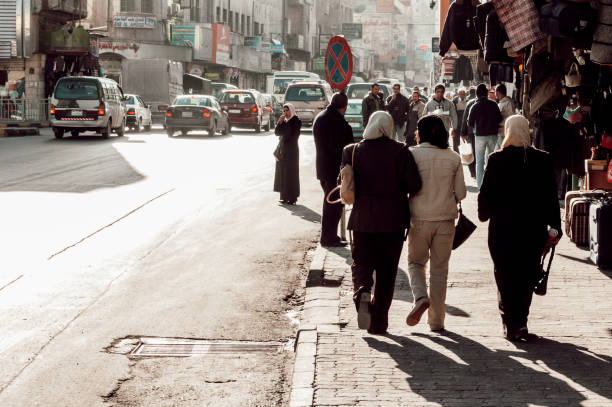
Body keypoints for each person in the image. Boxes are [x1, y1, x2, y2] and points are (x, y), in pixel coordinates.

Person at [478, 115, 562, 342]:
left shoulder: (496, 159)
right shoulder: (542, 160)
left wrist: (483, 214)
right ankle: (521, 323)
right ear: (528, 131)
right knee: (526, 275)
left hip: (502, 230)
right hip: (532, 230)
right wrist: (556, 226)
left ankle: (510, 323)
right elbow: (551, 197)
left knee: (505, 276)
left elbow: (485, 195)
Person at [344, 111, 422, 335]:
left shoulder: (352, 151)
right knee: (387, 274)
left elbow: (345, 182)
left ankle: (361, 292)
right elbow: (414, 185)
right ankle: (379, 324)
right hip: (393, 221)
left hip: (362, 219)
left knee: (361, 263)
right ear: (388, 127)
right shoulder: (400, 151)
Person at [406, 115, 467, 332]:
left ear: (420, 133)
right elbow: (461, 193)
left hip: (418, 219)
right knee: (440, 271)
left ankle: (421, 297)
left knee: (415, 263)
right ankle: (437, 322)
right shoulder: (453, 157)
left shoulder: (412, 155)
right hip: (445, 220)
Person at [313, 92, 354, 247]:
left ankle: (329, 236)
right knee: (334, 205)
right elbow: (345, 149)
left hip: (323, 168)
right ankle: (328, 237)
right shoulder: (338, 123)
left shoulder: (321, 116)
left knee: (330, 203)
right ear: (344, 107)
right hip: (334, 170)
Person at [467, 83, 503, 188]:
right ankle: (491, 185)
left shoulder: (474, 106)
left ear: (477, 94)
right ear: (487, 93)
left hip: (479, 136)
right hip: (493, 135)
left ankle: (480, 187)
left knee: (479, 161)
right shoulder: (493, 104)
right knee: (491, 160)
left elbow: (469, 123)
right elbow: (500, 119)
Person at [273, 103, 302, 204]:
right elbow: (277, 133)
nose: (285, 113)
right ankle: (284, 197)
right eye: (284, 111)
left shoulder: (296, 121)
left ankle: (292, 198)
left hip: (292, 151)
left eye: (287, 110)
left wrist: (283, 124)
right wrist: (279, 123)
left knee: (291, 174)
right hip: (283, 150)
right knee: (283, 173)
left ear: (292, 110)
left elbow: (289, 134)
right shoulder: (284, 121)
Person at [460, 95, 477, 178]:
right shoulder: (491, 103)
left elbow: (465, 118)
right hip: (482, 132)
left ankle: (473, 172)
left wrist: (463, 132)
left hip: (470, 132)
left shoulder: (470, 103)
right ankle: (475, 171)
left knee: (471, 152)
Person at [495, 84, 515, 151]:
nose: (495, 95)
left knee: (503, 151)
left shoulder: (508, 103)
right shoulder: (500, 103)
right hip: (499, 132)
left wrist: (500, 123)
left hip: (504, 132)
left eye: (496, 92)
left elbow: (511, 118)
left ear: (498, 92)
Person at [452, 88, 468, 154]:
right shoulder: (454, 101)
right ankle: (456, 154)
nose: (462, 95)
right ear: (458, 94)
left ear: (465, 94)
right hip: (457, 124)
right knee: (456, 141)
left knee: (467, 141)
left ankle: (468, 154)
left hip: (465, 124)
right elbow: (453, 114)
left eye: (463, 94)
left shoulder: (468, 100)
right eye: (460, 94)